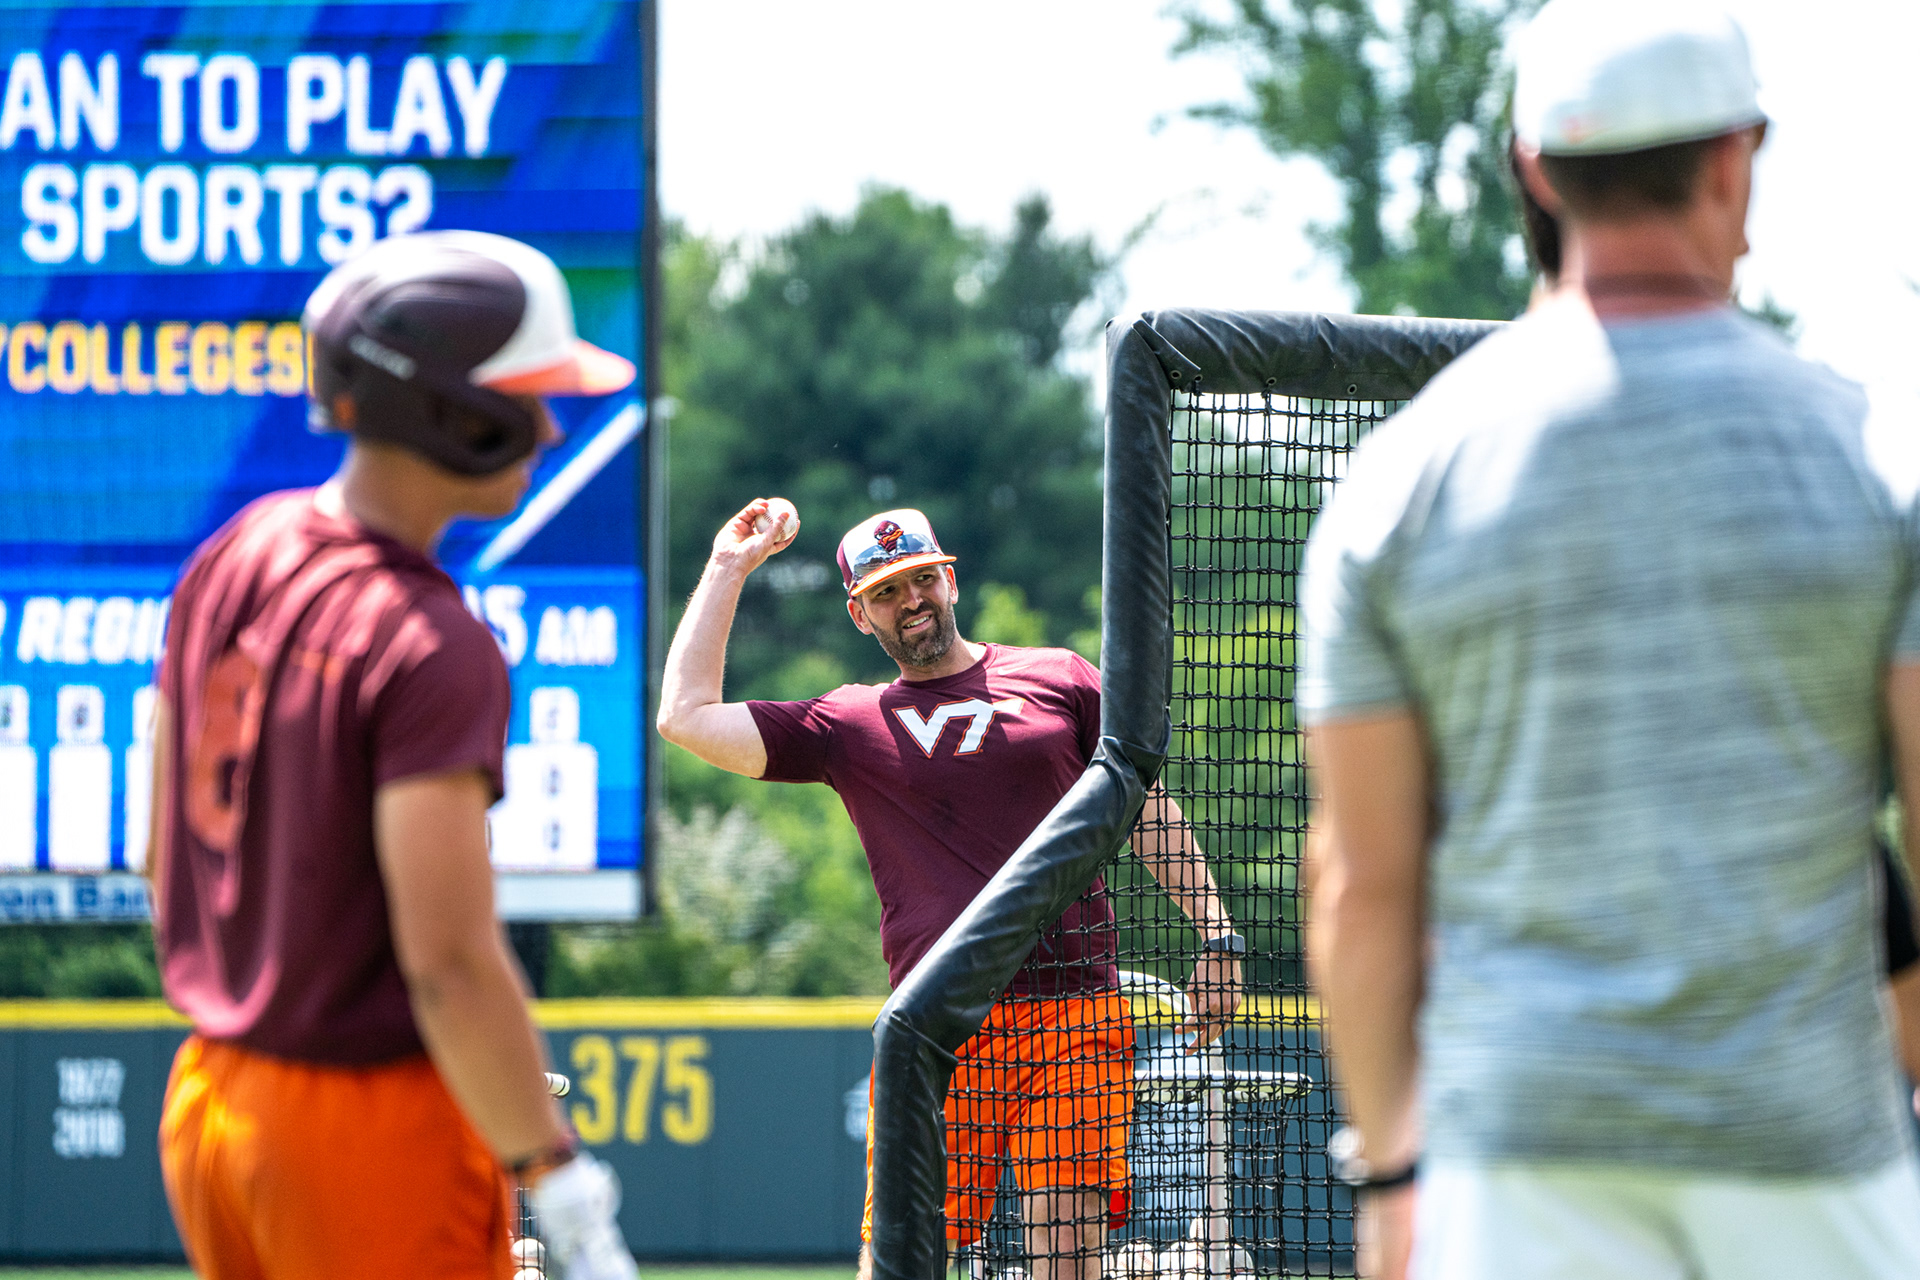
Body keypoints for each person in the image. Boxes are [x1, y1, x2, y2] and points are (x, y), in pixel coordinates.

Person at [1299, 0, 1920, 1276]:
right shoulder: (1877, 461)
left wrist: (1392, 1167)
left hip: (1516, 1161)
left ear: (1535, 168)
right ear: (1736, 157)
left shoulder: (1396, 484)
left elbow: (1362, 885)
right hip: (1812, 1154)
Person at [149, 230, 641, 1280]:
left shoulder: (236, 551)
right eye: (531, 394)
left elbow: (165, 848)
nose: (550, 425)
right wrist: (558, 1180)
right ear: (456, 409)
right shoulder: (428, 638)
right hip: (365, 1125)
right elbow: (449, 961)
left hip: (212, 1096)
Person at [657, 502, 1245, 1280]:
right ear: (859, 614)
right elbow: (685, 717)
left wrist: (1218, 934)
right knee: (900, 1260)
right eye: (889, 591)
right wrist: (730, 565)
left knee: (1067, 1263)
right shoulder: (848, 721)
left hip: (1072, 1011)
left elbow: (1147, 811)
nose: (912, 601)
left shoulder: (1061, 678)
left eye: (923, 579)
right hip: (934, 1034)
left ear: (951, 579)